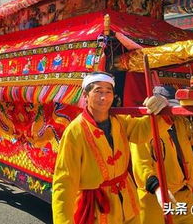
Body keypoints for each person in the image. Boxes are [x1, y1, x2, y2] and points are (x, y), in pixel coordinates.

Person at [52, 72, 172, 224]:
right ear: (85, 95)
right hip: (97, 207)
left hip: (127, 199)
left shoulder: (119, 121)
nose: (104, 97)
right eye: (98, 91)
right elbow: (64, 182)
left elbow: (143, 130)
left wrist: (162, 108)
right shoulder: (75, 132)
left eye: (108, 92)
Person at [130, 86, 193, 224]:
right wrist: (157, 188)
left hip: (185, 194)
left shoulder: (179, 122)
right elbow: (141, 166)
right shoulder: (144, 127)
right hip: (155, 199)